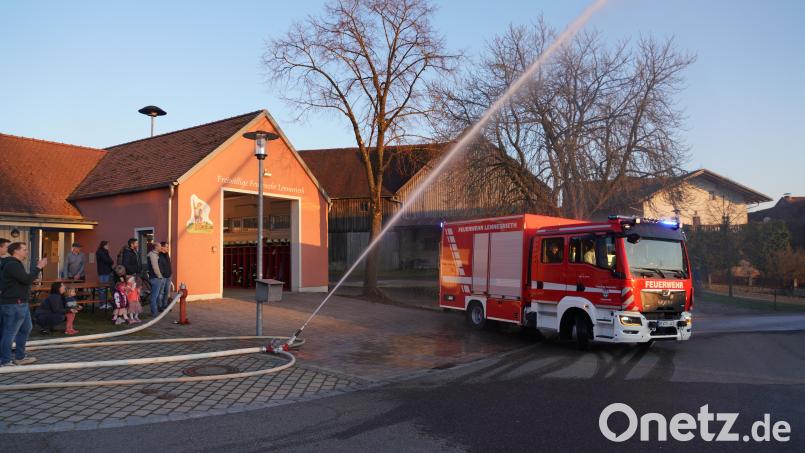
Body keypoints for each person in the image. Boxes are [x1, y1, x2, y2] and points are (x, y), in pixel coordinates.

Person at [0, 242, 46, 366]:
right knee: (10, 332)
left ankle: (20, 356)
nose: (26, 252)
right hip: (14, 303)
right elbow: (26, 280)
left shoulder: (15, 264)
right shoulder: (12, 265)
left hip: (21, 302)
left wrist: (30, 278)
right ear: (16, 251)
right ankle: (5, 360)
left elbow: (23, 280)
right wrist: (38, 267)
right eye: (24, 250)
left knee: (26, 328)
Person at [147, 243, 165, 317]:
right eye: (160, 246)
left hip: (155, 277)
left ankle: (154, 312)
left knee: (155, 296)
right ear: (156, 247)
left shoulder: (155, 254)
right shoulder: (153, 255)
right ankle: (154, 313)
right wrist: (160, 276)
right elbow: (155, 267)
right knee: (154, 296)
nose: (161, 247)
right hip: (155, 278)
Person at [96, 241, 114, 309]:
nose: (108, 246)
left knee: (106, 288)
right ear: (104, 245)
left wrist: (111, 261)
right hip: (103, 272)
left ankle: (106, 303)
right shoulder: (100, 252)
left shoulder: (105, 252)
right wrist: (111, 261)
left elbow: (110, 260)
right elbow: (107, 260)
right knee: (103, 288)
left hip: (106, 271)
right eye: (107, 245)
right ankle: (102, 304)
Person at [157, 242, 173, 311]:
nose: (168, 248)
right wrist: (162, 274)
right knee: (161, 292)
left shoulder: (167, 255)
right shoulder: (159, 255)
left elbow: (168, 265)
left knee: (167, 291)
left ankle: (165, 305)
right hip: (163, 277)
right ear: (162, 247)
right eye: (166, 247)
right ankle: (160, 306)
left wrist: (170, 273)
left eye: (168, 247)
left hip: (169, 276)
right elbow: (159, 267)